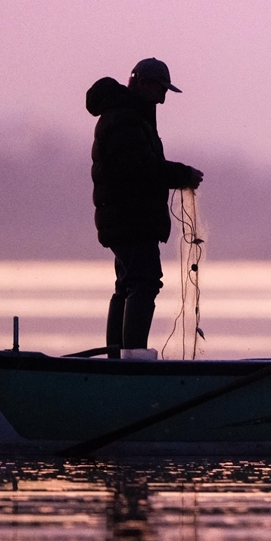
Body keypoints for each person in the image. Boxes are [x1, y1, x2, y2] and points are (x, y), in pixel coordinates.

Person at [87, 58, 204, 358]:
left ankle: (117, 357)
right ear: (141, 84)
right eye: (159, 89)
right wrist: (183, 175)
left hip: (125, 220)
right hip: (131, 220)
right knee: (144, 282)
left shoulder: (128, 116)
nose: (163, 98)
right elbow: (142, 168)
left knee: (127, 285)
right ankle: (131, 359)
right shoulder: (124, 119)